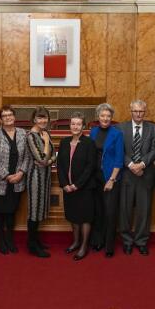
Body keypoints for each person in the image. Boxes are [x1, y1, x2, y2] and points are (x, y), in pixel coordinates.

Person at [0, 105, 31, 254]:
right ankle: (1, 239)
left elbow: (27, 156)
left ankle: (10, 239)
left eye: (10, 115)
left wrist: (21, 173)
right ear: (1, 118)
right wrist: (6, 175)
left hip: (17, 181)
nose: (8, 118)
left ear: (14, 116)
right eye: (4, 116)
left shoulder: (23, 133)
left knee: (11, 211)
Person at [118, 99, 155, 256]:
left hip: (145, 175)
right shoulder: (121, 128)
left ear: (145, 112)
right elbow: (119, 150)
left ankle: (141, 241)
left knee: (144, 211)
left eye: (141, 111)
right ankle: (127, 241)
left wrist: (141, 164)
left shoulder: (153, 128)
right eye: (135, 111)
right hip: (127, 175)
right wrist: (130, 165)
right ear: (131, 111)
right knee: (125, 211)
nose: (138, 114)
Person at [57, 112, 96, 261]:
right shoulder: (64, 142)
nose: (75, 126)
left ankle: (84, 246)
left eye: (78, 124)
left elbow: (90, 167)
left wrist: (76, 185)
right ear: (70, 125)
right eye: (73, 123)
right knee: (73, 215)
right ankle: (75, 242)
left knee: (85, 217)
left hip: (84, 187)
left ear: (83, 126)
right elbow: (60, 165)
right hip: (68, 188)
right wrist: (65, 184)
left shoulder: (89, 143)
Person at [89, 103, 124, 257]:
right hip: (95, 178)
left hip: (110, 177)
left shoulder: (117, 134)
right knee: (98, 212)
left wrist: (112, 179)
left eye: (108, 116)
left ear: (111, 118)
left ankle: (109, 246)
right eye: (102, 116)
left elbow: (119, 159)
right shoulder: (93, 131)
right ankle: (98, 241)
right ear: (98, 117)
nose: (105, 118)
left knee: (110, 213)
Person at [25, 106, 58, 258]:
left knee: (40, 210)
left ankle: (36, 240)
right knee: (34, 211)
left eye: (45, 118)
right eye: (40, 118)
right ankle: (32, 245)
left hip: (45, 176)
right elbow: (42, 158)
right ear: (34, 119)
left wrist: (47, 160)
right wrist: (45, 144)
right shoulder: (31, 136)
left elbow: (52, 157)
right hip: (35, 178)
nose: (43, 121)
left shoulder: (45, 133)